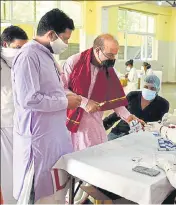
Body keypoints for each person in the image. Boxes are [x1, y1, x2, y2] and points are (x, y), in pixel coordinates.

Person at [11, 9, 82, 203]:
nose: (66, 44)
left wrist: (65, 95)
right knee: (36, 192)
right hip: (38, 140)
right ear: (51, 34)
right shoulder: (28, 56)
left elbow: (49, 90)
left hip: (52, 136)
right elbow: (30, 99)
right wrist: (65, 102)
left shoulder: (46, 54)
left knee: (53, 191)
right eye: (65, 39)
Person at [62, 34, 143, 151]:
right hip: (71, 121)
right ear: (98, 50)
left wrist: (129, 117)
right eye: (110, 55)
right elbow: (62, 89)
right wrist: (84, 102)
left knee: (95, 156)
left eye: (115, 55)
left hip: (93, 123)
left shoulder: (109, 70)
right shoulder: (75, 62)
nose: (113, 59)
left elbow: (116, 100)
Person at [1, 25, 28, 204]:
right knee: (7, 173)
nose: (21, 52)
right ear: (5, 44)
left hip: (22, 125)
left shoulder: (21, 62)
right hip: (3, 125)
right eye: (17, 48)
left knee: (21, 172)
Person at [104, 75, 169, 140]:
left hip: (142, 137)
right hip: (120, 131)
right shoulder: (132, 96)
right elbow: (118, 113)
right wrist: (102, 125)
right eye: (146, 87)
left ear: (157, 90)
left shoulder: (163, 104)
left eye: (152, 88)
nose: (148, 90)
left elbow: (160, 125)